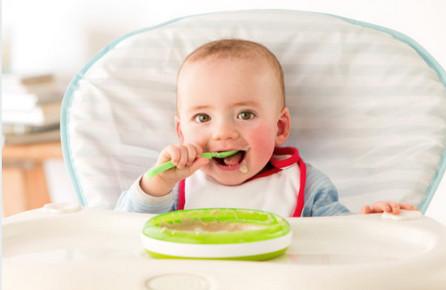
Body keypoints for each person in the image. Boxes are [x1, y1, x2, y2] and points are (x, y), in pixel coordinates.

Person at [115, 39, 415, 217]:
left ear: (280, 127)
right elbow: (123, 236)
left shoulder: (306, 186)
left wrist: (372, 225)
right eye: (203, 118)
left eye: (245, 114)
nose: (223, 133)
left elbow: (342, 245)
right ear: (181, 133)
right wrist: (155, 187)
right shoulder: (175, 187)